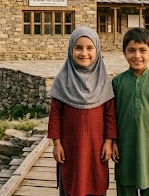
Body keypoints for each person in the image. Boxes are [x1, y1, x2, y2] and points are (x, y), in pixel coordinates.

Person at [48, 27, 117, 196]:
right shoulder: (62, 80)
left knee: (96, 180)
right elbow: (55, 115)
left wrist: (109, 142)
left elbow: (110, 115)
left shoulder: (103, 80)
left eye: (89, 48)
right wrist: (56, 144)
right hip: (70, 146)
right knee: (71, 181)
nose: (84, 53)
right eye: (78, 47)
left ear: (98, 50)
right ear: (70, 49)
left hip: (96, 147)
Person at [111, 28, 149, 196]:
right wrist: (113, 142)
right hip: (124, 145)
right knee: (125, 183)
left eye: (142, 50)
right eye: (131, 50)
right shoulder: (117, 83)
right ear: (124, 53)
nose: (137, 56)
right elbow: (112, 116)